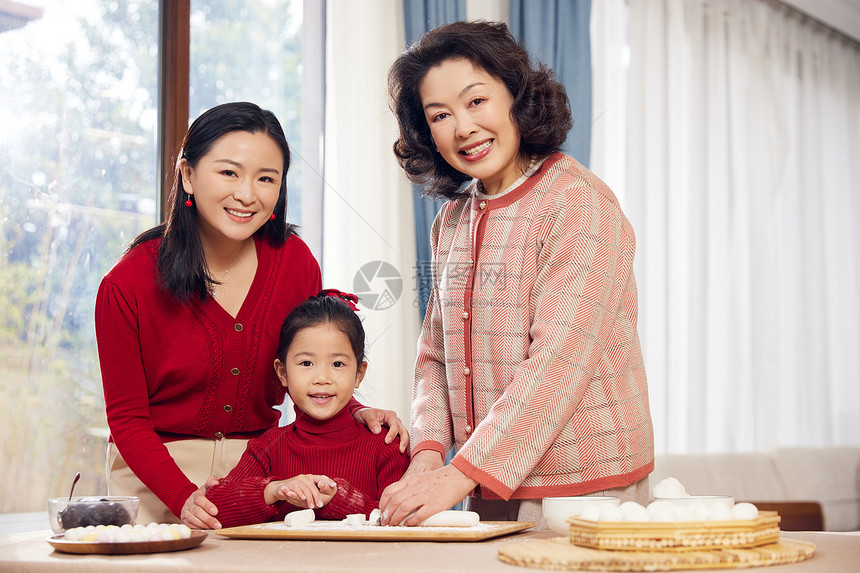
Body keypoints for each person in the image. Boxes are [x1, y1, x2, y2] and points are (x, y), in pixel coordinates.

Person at [379, 21, 654, 528]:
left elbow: (558, 362)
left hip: (583, 486)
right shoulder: (452, 221)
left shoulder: (577, 202)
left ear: (517, 98)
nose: (462, 127)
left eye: (476, 101)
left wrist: (458, 473)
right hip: (483, 480)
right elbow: (435, 355)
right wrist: (427, 451)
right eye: (440, 114)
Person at [95, 102, 408, 530]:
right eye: (229, 173)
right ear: (187, 174)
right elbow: (127, 419)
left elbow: (311, 356)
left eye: (266, 179)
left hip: (260, 475)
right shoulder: (126, 282)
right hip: (154, 478)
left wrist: (355, 410)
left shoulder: (296, 263)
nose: (247, 194)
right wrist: (183, 497)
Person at [204, 290, 411, 527]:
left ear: (359, 374)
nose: (322, 377)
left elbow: (401, 520)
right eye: (306, 363)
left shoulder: (386, 445)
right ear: (282, 372)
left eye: (337, 364)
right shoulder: (268, 446)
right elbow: (213, 508)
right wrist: (274, 490)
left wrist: (338, 498)